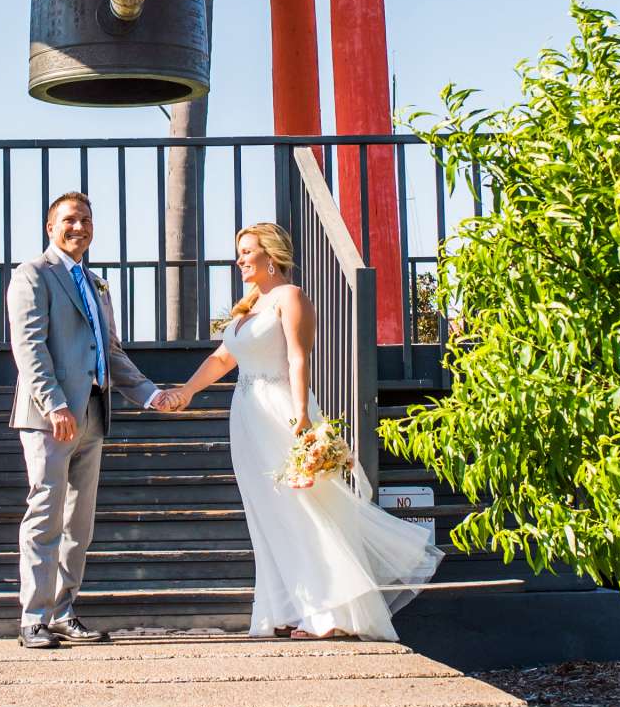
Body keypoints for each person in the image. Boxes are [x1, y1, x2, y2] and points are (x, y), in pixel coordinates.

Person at [170, 221, 441, 639]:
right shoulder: (247, 308)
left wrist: (301, 415)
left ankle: (328, 614)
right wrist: (185, 390)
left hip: (281, 410)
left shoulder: (290, 298)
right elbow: (223, 360)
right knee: (267, 514)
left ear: (271, 255)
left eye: (247, 250)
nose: (239, 259)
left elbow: (298, 359)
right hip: (246, 418)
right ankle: (286, 607)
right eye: (239, 251)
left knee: (304, 510)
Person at [7, 191, 169, 649]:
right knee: (45, 515)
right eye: (69, 220)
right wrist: (54, 403)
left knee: (79, 524)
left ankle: (62, 610)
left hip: (94, 414)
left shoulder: (98, 284)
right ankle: (33, 619)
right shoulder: (32, 275)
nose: (79, 228)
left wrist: (150, 394)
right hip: (50, 418)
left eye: (86, 220)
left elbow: (110, 351)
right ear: (50, 226)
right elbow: (30, 348)